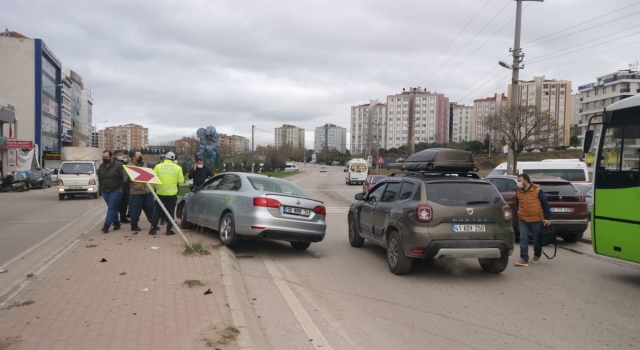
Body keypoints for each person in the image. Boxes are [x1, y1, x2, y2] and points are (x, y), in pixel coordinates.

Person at [513, 173, 552, 266]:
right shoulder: (519, 191)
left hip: (536, 219)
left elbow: (545, 205)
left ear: (525, 181)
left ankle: (537, 255)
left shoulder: (537, 191)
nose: (517, 182)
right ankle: (524, 259)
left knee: (537, 239)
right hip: (523, 219)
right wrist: (518, 211)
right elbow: (517, 203)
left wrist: (548, 218)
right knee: (523, 238)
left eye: (519, 181)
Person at [149, 152, 184, 236]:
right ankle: (169, 230)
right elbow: (181, 181)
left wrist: (152, 189)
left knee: (157, 210)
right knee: (171, 212)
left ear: (165, 158)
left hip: (160, 193)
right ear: (174, 159)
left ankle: (153, 229)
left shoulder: (158, 166)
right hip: (172, 194)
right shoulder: (178, 168)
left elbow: (153, 180)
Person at [97, 150, 125, 233]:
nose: (104, 159)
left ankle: (106, 225)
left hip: (116, 189)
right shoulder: (102, 166)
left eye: (106, 157)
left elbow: (124, 177)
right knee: (112, 207)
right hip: (105, 190)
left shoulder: (119, 165)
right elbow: (100, 178)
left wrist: (122, 187)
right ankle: (116, 223)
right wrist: (100, 188)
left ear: (111, 156)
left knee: (111, 207)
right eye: (103, 157)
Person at [128, 151, 154, 232]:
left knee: (151, 208)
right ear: (133, 157)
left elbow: (154, 166)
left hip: (147, 191)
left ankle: (154, 224)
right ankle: (134, 225)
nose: (141, 157)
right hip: (136, 192)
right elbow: (126, 179)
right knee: (135, 210)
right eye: (139, 156)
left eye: (141, 155)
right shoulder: (129, 166)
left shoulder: (145, 163)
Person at [114, 150, 131, 224]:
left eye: (123, 155)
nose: (121, 157)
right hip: (117, 186)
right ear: (115, 155)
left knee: (125, 202)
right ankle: (115, 219)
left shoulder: (125, 163)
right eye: (119, 155)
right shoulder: (114, 164)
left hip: (125, 186)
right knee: (116, 204)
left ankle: (123, 217)